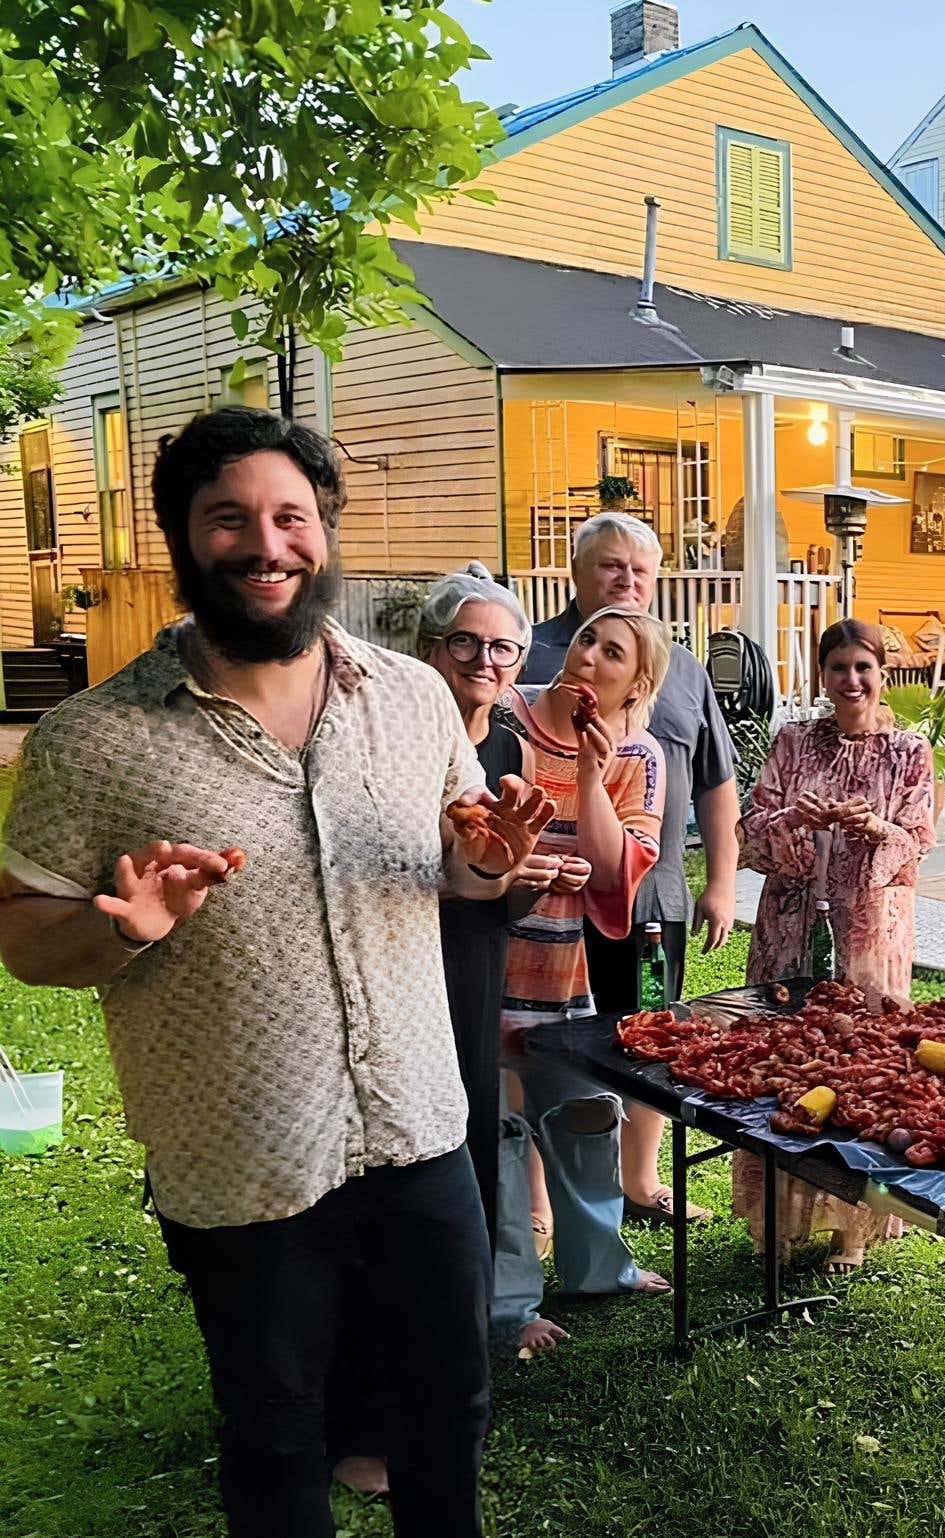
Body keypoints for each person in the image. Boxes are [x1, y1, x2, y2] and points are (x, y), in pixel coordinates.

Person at [0, 406, 549, 1538]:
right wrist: (124, 926)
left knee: (449, 1411)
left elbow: (458, 869)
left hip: (419, 1135)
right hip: (241, 1162)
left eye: (290, 515)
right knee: (275, 1435)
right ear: (182, 541)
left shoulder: (412, 698)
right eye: (229, 518)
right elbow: (21, 933)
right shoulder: (95, 739)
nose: (267, 543)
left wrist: (484, 868)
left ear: (325, 529)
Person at [328, 565, 569, 1497]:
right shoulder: (383, 738)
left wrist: (518, 876)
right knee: (375, 1194)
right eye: (463, 641)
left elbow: (491, 886)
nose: (482, 659)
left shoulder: (508, 750)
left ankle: (451, 1375)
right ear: (429, 651)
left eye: (502, 646)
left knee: (457, 1171)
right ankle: (361, 1417)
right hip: (386, 978)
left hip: (467, 983)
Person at [522, 511, 739, 1225]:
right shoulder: (532, 656)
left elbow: (714, 781)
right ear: (577, 574)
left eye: (641, 569)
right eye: (612, 566)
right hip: (548, 902)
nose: (628, 580)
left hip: (654, 894)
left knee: (647, 1032)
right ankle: (543, 1194)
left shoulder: (682, 668)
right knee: (543, 1039)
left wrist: (724, 881)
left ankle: (640, 1181)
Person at [494, 604, 674, 1353]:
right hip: (488, 960)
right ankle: (507, 1305)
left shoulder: (640, 756)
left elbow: (612, 870)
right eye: (587, 641)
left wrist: (594, 774)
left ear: (636, 683)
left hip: (572, 972)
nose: (590, 657)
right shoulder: (507, 717)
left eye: (613, 653)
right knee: (499, 1136)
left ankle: (599, 1266)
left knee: (588, 1120)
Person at [733, 620, 937, 1269]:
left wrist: (874, 827)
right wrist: (795, 819)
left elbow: (916, 842)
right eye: (839, 668)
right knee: (785, 1070)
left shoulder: (908, 751)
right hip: (789, 932)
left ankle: (852, 1232)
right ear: (822, 675)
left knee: (859, 1079)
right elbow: (751, 826)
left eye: (863, 668)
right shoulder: (793, 741)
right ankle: (778, 1225)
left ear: (882, 673)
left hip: (869, 940)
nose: (851, 681)